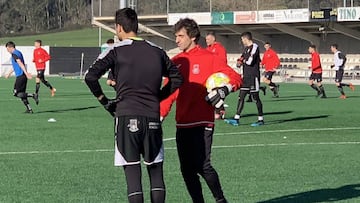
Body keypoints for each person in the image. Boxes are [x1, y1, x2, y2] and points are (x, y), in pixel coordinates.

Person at [84, 8, 183, 203]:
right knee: (156, 174)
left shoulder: (116, 50)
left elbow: (90, 77)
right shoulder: (157, 51)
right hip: (153, 118)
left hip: (126, 117)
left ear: (118, 27)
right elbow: (177, 78)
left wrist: (105, 102)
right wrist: (158, 96)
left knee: (132, 175)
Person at [161, 18, 242, 203]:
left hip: (202, 122)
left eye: (181, 36)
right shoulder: (176, 61)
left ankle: (220, 199)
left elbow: (236, 78)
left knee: (203, 166)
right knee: (186, 169)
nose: (177, 40)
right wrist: (159, 115)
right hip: (182, 123)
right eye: (176, 36)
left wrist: (224, 89)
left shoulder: (209, 58)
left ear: (193, 36)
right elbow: (169, 92)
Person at [225, 32, 264, 127]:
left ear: (246, 39)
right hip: (246, 77)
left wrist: (242, 61)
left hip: (253, 76)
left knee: (255, 98)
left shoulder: (255, 47)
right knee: (241, 97)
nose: (242, 41)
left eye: (242, 39)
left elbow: (250, 61)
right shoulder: (246, 49)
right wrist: (239, 61)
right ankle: (236, 118)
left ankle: (260, 119)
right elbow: (242, 58)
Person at [5, 41, 38, 113]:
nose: (7, 51)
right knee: (22, 94)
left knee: (16, 93)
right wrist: (9, 73)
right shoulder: (18, 52)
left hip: (21, 76)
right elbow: (16, 65)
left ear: (10, 47)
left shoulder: (14, 54)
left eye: (7, 49)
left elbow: (20, 63)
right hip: (22, 75)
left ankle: (33, 95)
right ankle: (29, 109)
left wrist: (26, 73)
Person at [205, 31, 228, 119]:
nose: (206, 41)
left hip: (218, 75)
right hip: (210, 75)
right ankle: (218, 110)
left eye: (208, 39)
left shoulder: (219, 48)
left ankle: (220, 112)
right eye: (206, 39)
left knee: (216, 93)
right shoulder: (208, 49)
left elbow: (222, 61)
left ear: (213, 39)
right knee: (210, 93)